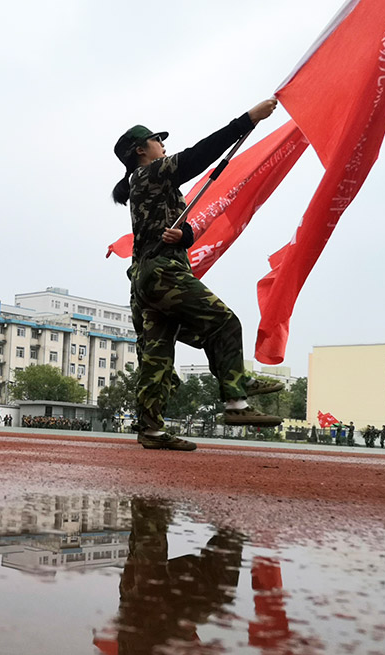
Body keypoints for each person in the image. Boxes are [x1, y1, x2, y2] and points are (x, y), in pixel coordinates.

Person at [112, 100, 284, 450]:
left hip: (146, 278)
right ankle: (236, 399)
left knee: (157, 357)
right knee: (223, 323)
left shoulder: (146, 185)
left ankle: (152, 430)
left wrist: (186, 235)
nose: (164, 145)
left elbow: (174, 230)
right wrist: (247, 120)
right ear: (141, 150)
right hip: (163, 274)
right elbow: (197, 156)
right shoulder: (149, 173)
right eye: (158, 141)